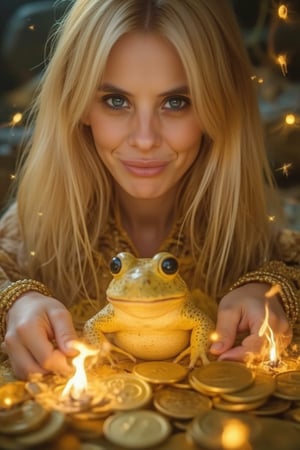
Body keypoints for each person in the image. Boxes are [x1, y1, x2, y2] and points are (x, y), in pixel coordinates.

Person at [0, 0, 299, 381]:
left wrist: (272, 288)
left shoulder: (249, 225)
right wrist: (14, 300)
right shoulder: (34, 222)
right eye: (116, 100)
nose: (144, 139)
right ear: (80, 106)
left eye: (176, 102)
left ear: (217, 107)